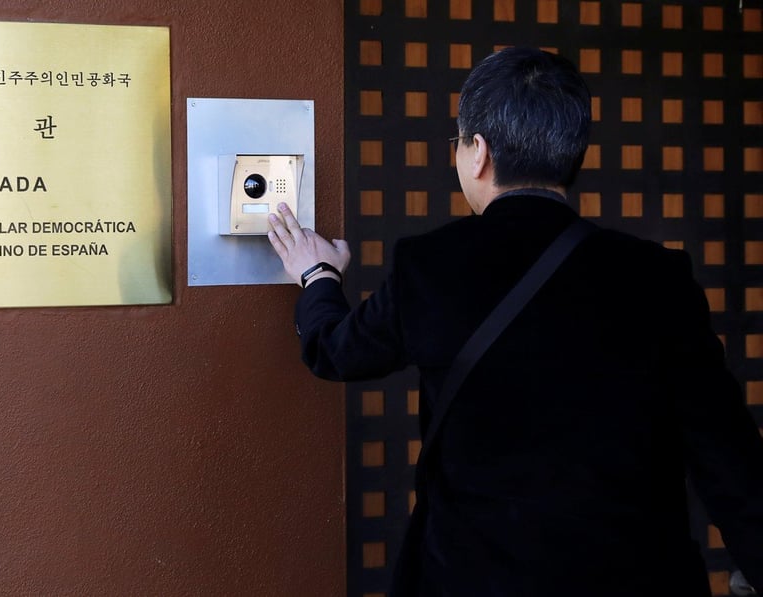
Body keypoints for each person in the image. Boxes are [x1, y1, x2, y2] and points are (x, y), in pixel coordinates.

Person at [267, 47, 763, 596]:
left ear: (477, 152)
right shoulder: (658, 279)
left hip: (473, 579)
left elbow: (335, 351)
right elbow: (729, 459)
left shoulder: (432, 267)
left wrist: (318, 275)